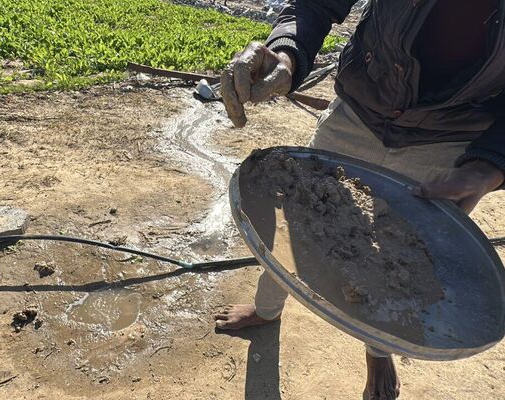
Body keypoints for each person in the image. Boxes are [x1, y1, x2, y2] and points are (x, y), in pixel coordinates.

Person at [215, 1, 505, 399]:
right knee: (291, 225)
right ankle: (267, 309)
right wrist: (286, 50)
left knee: (395, 262)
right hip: (359, 111)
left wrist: (492, 163)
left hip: (446, 140)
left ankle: (377, 349)